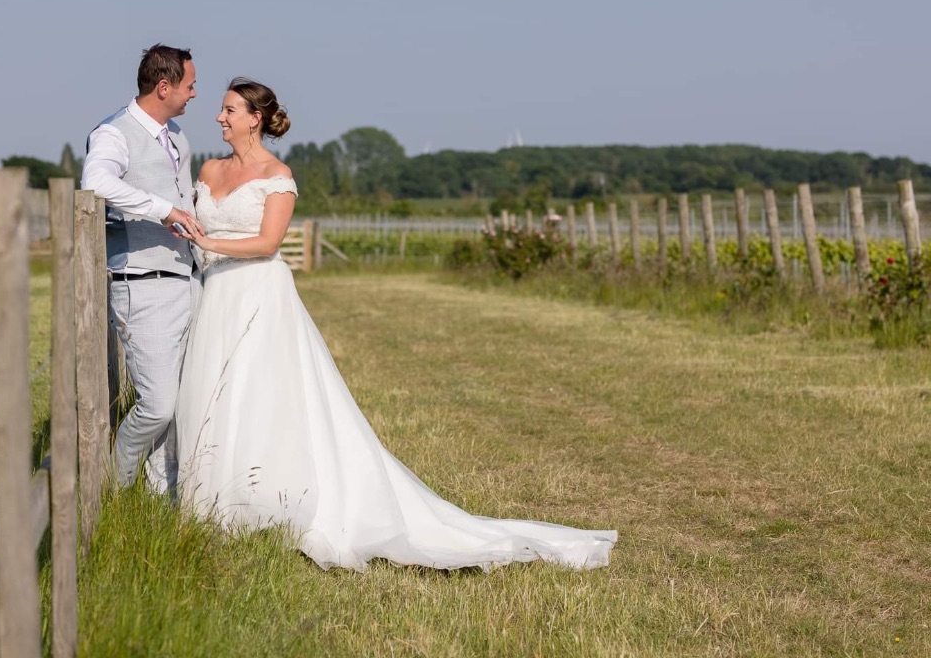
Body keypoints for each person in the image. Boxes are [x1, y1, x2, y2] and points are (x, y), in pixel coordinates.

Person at [174, 78, 617, 571]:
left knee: (262, 395)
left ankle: (270, 505)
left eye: (230, 110)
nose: (220, 117)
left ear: (254, 118)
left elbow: (267, 244)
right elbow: (193, 223)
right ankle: (214, 507)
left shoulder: (278, 175)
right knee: (215, 392)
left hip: (258, 293)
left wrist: (211, 245)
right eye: (221, 109)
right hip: (214, 296)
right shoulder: (209, 169)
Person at [81, 44, 203, 491]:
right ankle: (114, 487)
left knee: (183, 403)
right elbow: (96, 183)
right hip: (142, 284)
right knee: (157, 405)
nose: (195, 93)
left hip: (187, 280)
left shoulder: (177, 136)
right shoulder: (113, 133)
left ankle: (158, 500)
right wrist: (163, 210)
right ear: (164, 85)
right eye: (190, 85)